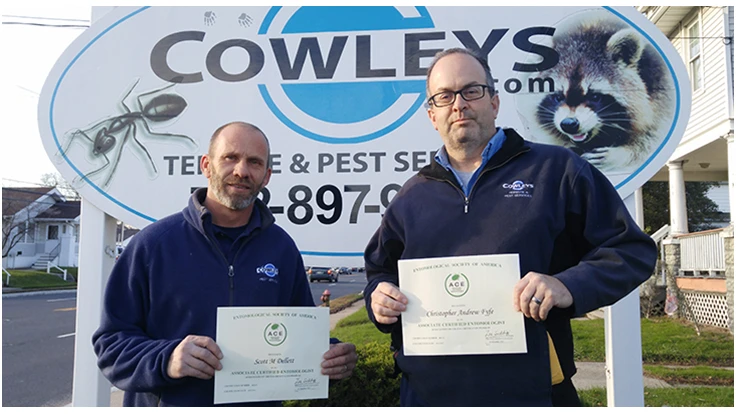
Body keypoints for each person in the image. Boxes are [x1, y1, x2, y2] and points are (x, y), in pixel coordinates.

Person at [363, 48, 657, 407]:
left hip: (534, 395)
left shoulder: (556, 171)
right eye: (444, 96)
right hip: (428, 397)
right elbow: (379, 272)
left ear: (494, 102)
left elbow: (630, 250)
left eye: (471, 90)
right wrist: (378, 299)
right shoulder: (411, 197)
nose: (459, 105)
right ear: (432, 115)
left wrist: (568, 285)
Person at [92, 121, 357, 407]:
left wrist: (332, 355)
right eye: (230, 157)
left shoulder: (281, 248)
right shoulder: (153, 245)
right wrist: (168, 359)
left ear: (266, 176)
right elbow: (111, 346)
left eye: (254, 162)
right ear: (206, 165)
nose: (241, 171)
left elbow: (297, 335)